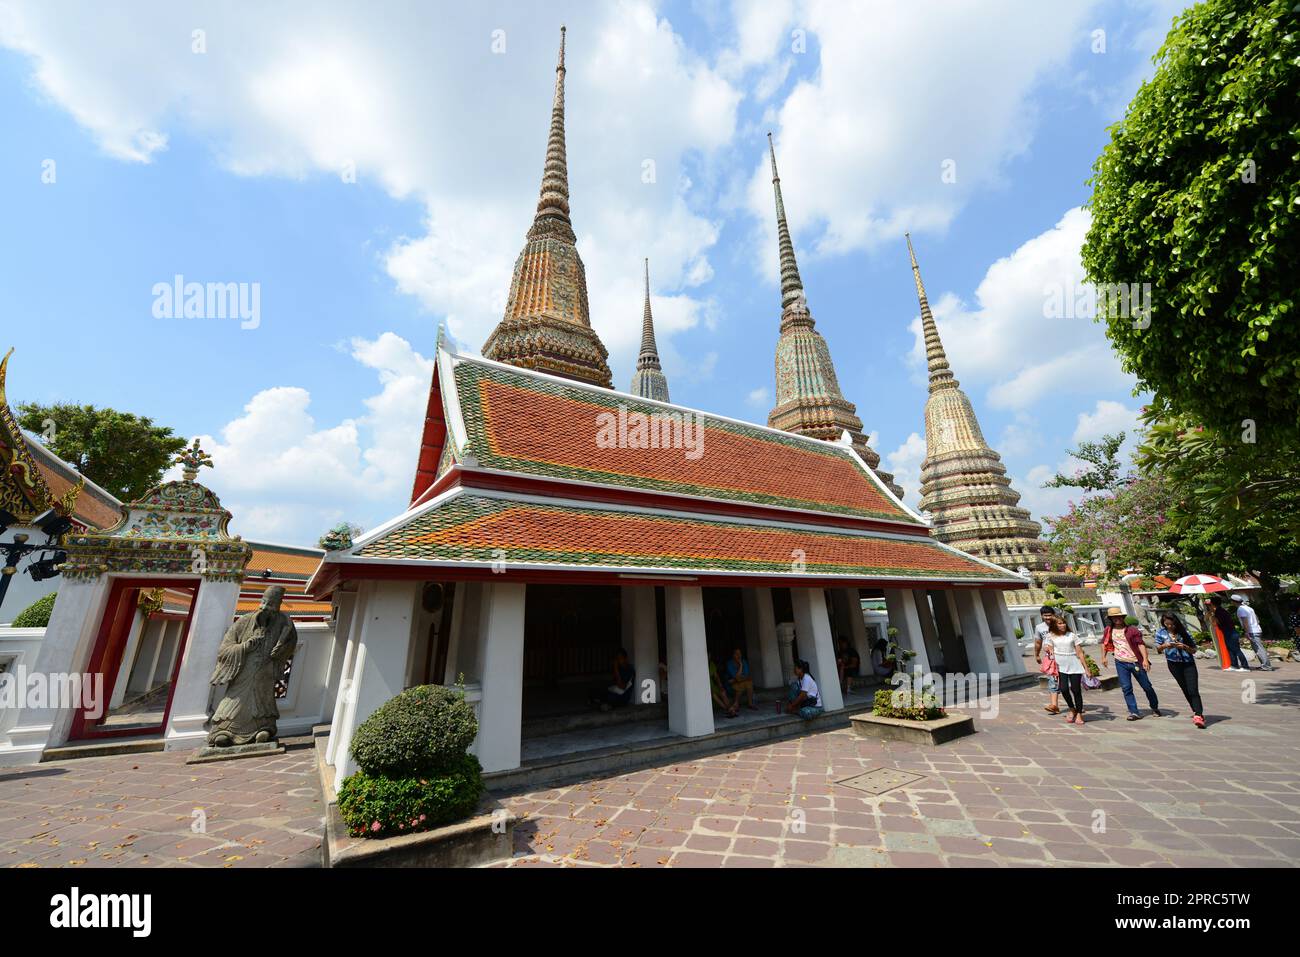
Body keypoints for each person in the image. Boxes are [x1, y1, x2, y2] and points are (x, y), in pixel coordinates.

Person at [1102, 607, 1161, 720]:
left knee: (1147, 686)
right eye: (1114, 618)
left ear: (1123, 617)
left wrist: (1145, 659)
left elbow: (1140, 644)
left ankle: (1154, 707)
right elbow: (1104, 643)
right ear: (1111, 619)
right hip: (1120, 662)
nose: (1117, 619)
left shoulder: (1132, 630)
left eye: (1119, 617)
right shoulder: (1109, 630)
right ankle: (1134, 712)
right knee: (1126, 688)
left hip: (1135, 661)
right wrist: (1103, 657)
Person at [1154, 612, 1206, 729]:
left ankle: (1198, 714)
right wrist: (1165, 646)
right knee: (1185, 689)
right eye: (1167, 624)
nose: (1169, 627)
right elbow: (1157, 648)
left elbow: (1194, 650)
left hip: (1188, 663)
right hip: (1173, 664)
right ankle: (1196, 711)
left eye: (1171, 624)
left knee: (1193, 689)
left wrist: (1184, 647)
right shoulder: (1161, 632)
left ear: (1175, 623)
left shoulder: (1184, 632)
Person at [1041, 617, 1088, 724]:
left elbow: (1080, 653)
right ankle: (1072, 709)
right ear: (1055, 625)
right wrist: (1049, 648)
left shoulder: (1072, 636)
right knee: (1064, 689)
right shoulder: (1051, 636)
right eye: (1060, 623)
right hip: (1060, 667)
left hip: (1075, 665)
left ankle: (1079, 714)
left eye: (1064, 623)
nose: (1063, 625)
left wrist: (1086, 668)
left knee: (1076, 690)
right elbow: (1047, 647)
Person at [1032, 606, 1062, 714]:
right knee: (1052, 681)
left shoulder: (1060, 624)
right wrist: (1036, 654)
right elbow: (1038, 642)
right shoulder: (1039, 627)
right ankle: (1054, 705)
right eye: (1045, 615)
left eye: (1050, 615)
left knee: (1067, 681)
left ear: (1053, 615)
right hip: (1049, 658)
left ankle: (1076, 705)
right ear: (1041, 616)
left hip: (1063, 656)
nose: (1048, 617)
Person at [1232, 594, 1274, 671]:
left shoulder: (1241, 609)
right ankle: (1264, 665)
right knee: (1258, 648)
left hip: (1252, 631)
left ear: (1234, 602)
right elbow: (1257, 619)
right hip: (1256, 629)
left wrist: (1247, 632)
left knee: (1259, 649)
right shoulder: (1249, 608)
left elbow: (1245, 621)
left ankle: (1266, 666)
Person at [1210, 595, 1250, 671]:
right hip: (1230, 631)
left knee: (1236, 650)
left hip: (1230, 632)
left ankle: (1245, 666)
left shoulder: (1219, 611)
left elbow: (1217, 623)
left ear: (1212, 604)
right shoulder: (1221, 610)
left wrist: (1213, 617)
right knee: (1230, 649)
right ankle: (1234, 665)